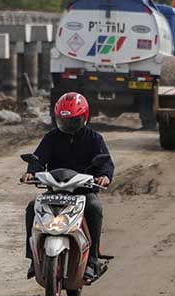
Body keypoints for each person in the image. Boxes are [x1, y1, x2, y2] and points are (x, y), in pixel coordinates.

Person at [21, 92, 114, 280]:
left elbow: (106, 163)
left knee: (94, 207)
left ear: (85, 117)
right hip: (55, 190)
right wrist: (31, 171)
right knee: (33, 207)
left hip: (83, 191)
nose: (69, 126)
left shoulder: (94, 139)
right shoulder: (51, 137)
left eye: (74, 121)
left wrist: (104, 176)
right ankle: (34, 257)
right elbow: (38, 158)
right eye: (65, 121)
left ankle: (92, 260)